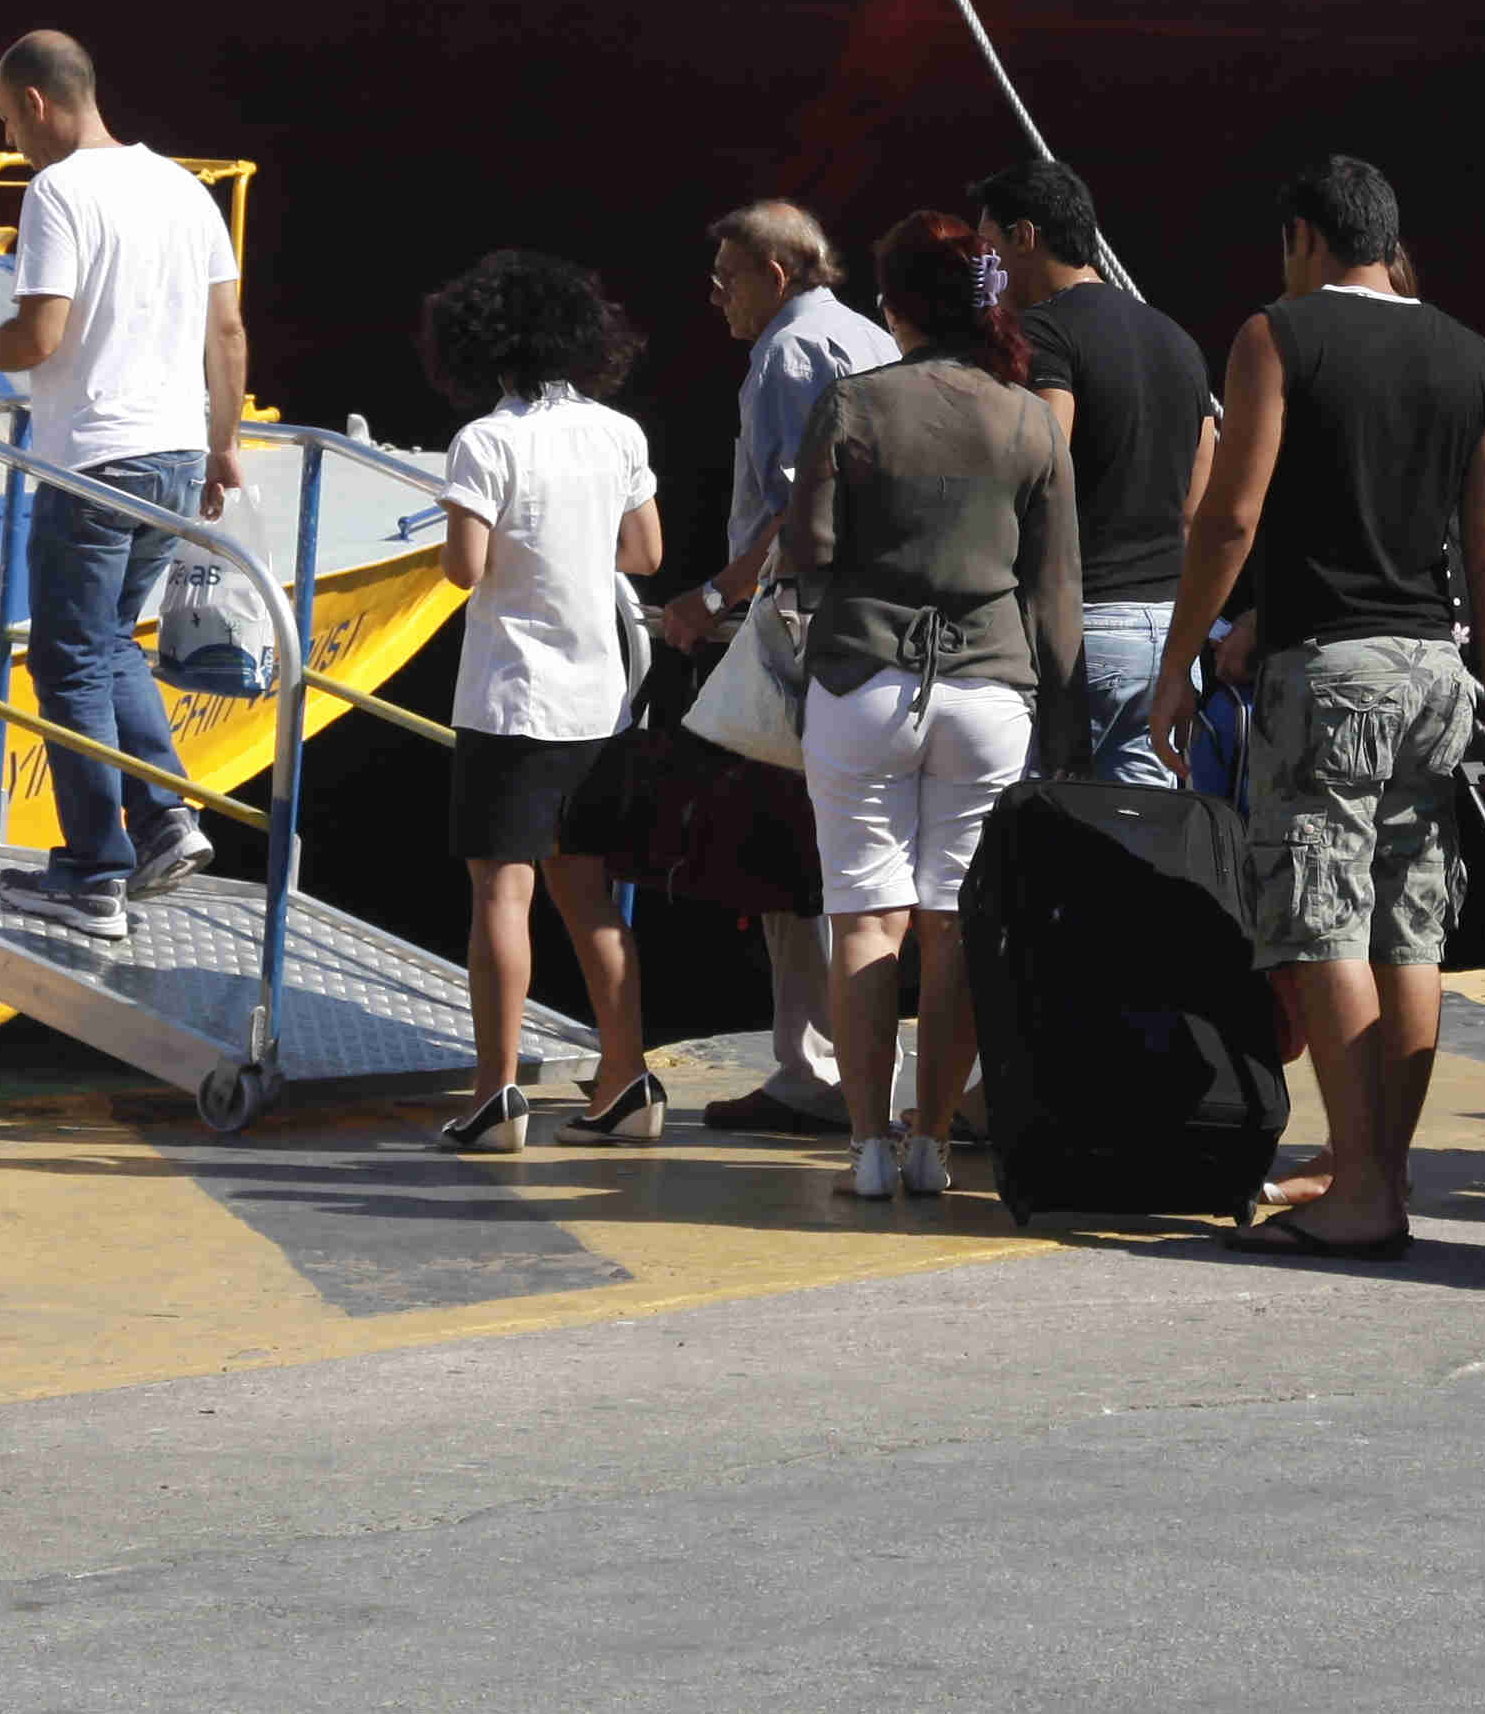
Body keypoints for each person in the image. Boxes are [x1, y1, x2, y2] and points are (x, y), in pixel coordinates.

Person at [1152, 155, 1485, 1259]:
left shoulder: (1280, 336)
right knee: (1409, 929)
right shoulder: (1480, 362)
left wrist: (1182, 661)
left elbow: (1233, 516)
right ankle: (1382, 1171)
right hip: (1435, 675)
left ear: (1305, 240)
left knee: (1323, 920)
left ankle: (1360, 1187)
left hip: (1331, 678)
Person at [777, 212, 1079, 1203]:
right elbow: (1055, 590)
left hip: (865, 678)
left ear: (896, 301)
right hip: (990, 688)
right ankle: (935, 1141)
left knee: (865, 917)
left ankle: (866, 1147)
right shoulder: (1030, 416)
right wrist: (1059, 704)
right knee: (954, 921)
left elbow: (807, 555)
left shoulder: (855, 405)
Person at [0, 32, 245, 948]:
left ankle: (90, 874)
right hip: (176, 453)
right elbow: (226, 332)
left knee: (66, 664)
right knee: (112, 645)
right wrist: (221, 447)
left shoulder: (59, 191)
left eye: (7, 122)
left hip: (95, 461)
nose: (12, 141)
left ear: (36, 104)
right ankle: (161, 824)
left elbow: (41, 336)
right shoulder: (185, 189)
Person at [416, 248, 662, 1153]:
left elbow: (463, 569)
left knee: (499, 892)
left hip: (513, 695)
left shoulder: (488, 441)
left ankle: (496, 1094)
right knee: (588, 892)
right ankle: (629, 1079)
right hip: (601, 698)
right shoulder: (617, 433)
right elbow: (646, 553)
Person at [655, 202, 888, 1136]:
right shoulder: (869, 335)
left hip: (806, 633)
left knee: (799, 859)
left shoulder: (789, 356)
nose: (715, 300)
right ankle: (865, 1067)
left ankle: (813, 1074)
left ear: (778, 275)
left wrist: (708, 601)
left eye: (727, 280)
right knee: (872, 865)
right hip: (885, 630)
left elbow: (801, 518)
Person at [978, 158, 1213, 788]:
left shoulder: (1042, 334)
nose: (989, 269)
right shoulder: (1179, 343)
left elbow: (1039, 472)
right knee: (1142, 849)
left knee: (1041, 844)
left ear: (1024, 236)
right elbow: (1198, 503)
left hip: (1081, 631)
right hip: (1167, 633)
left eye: (991, 247)